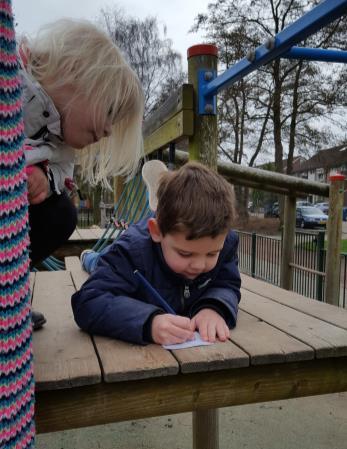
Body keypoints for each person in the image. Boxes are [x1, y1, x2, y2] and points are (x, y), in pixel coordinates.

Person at [19, 19, 144, 329]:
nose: (108, 130)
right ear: (77, 75)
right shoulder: (13, 83)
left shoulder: (61, 144)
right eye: (110, 111)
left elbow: (60, 173)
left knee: (62, 212)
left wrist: (44, 182)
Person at [71, 162, 241, 346]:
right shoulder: (130, 252)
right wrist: (149, 322)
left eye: (211, 254)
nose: (200, 265)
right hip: (115, 261)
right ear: (157, 232)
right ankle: (88, 257)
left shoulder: (226, 244)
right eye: (185, 254)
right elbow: (89, 301)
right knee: (97, 262)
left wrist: (213, 307)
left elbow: (227, 283)